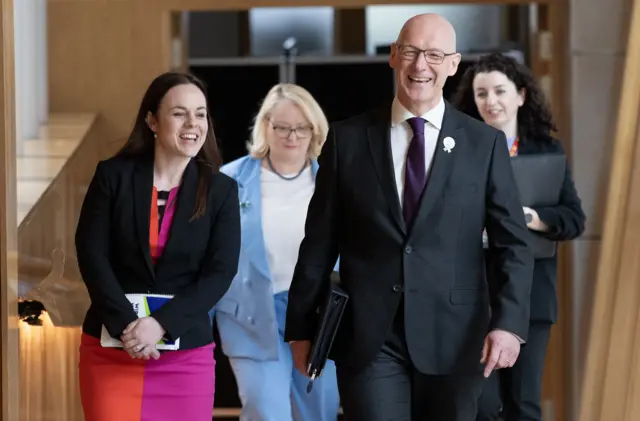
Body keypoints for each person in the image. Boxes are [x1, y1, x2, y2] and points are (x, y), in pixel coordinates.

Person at [284, 13, 535, 421]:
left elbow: (513, 245)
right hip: (369, 338)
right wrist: (299, 328)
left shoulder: (483, 145)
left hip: (457, 339)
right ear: (393, 57)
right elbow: (318, 241)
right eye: (411, 52)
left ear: (453, 65)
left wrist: (508, 324)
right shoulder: (347, 140)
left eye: (434, 55)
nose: (421, 66)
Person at [75, 72, 241, 421]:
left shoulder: (221, 190)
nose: (192, 123)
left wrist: (160, 325)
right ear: (152, 120)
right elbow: (92, 255)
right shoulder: (112, 176)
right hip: (112, 350)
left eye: (200, 113)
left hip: (185, 355)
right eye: (179, 113)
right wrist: (128, 326)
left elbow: (220, 272)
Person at [451, 53, 586, 421]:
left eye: (499, 91)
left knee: (523, 404)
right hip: (474, 294)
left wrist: (531, 218)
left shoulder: (546, 152)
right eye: (481, 94)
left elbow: (574, 219)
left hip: (532, 297)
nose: (490, 101)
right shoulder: (458, 151)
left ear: (521, 96)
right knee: (480, 404)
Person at [213, 83, 340, 421]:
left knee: (318, 414)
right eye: (282, 127)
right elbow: (210, 257)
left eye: (301, 128)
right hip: (251, 316)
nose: (292, 136)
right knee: (267, 412)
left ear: (314, 130)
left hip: (316, 318)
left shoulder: (332, 182)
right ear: (265, 126)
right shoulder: (229, 181)